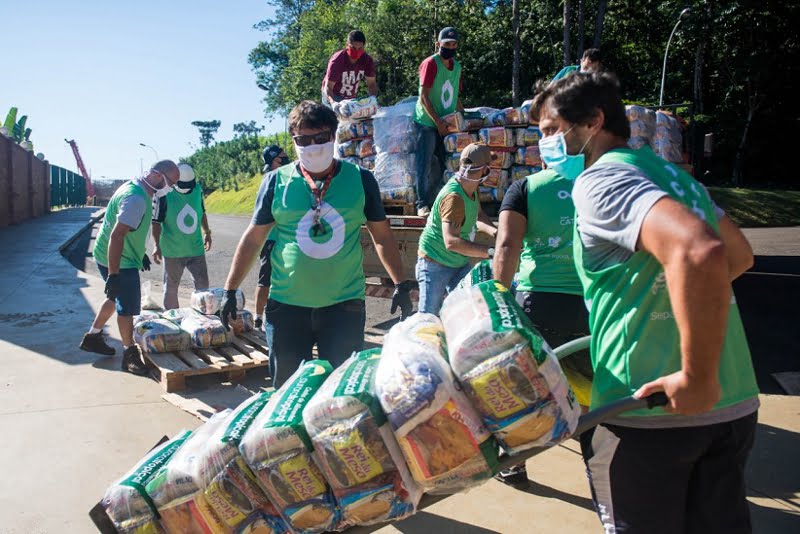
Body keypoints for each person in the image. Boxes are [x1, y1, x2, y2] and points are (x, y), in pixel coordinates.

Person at [532, 71, 759, 533]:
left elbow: (701, 253)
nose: (547, 145)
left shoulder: (601, 180)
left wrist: (694, 376)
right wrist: (672, 307)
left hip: (649, 410)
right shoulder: (671, 175)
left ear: (594, 121)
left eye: (553, 130)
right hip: (733, 398)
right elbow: (738, 255)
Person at [220, 101, 412, 388]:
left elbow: (382, 237)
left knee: (342, 394)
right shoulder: (275, 182)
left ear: (334, 136)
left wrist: (401, 283)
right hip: (287, 308)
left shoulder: (361, 180)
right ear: (293, 141)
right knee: (285, 392)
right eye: (303, 140)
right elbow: (253, 239)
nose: (312, 146)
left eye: (321, 138)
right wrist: (230, 289)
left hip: (343, 308)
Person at [492, 159, 591, 487]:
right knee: (593, 392)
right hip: (590, 304)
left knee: (521, 390)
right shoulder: (601, 180)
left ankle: (514, 465)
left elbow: (507, 244)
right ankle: (600, 465)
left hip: (538, 304)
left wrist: (499, 300)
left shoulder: (526, 187)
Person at [79, 161, 181, 375]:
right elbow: (117, 235)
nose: (170, 188)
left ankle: (93, 336)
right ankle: (129, 355)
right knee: (127, 308)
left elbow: (126, 229)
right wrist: (114, 275)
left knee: (114, 297)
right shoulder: (136, 198)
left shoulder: (135, 187)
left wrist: (140, 252)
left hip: (111, 253)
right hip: (119, 259)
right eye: (171, 182)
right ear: (156, 175)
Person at [416, 143, 496, 315]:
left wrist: (496, 232)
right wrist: (490, 252)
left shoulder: (471, 189)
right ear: (485, 170)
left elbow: (478, 215)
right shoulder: (454, 198)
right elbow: (451, 242)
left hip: (459, 263)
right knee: (428, 316)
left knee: (467, 310)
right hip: (435, 263)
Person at [413, 26, 464, 216]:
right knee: (424, 163)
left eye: (454, 44)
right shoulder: (431, 63)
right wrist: (437, 123)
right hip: (427, 122)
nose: (450, 47)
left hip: (446, 123)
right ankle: (421, 203)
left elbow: (456, 96)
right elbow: (424, 97)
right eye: (446, 44)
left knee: (445, 163)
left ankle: (437, 200)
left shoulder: (456, 67)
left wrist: (462, 119)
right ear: (438, 45)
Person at [151, 163, 212, 310]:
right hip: (173, 252)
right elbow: (156, 222)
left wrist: (207, 232)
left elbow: (202, 212)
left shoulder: (197, 190)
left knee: (203, 287)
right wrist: (157, 245)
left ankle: (203, 321)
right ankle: (173, 320)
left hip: (196, 249)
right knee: (171, 288)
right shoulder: (163, 194)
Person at [253, 144, 291, 331]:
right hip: (271, 239)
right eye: (281, 158)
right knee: (265, 280)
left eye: (286, 157)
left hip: (287, 239)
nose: (286, 161)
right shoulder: (269, 180)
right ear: (272, 162)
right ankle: (258, 318)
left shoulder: (289, 177)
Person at [321, 30, 378, 107]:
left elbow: (371, 84)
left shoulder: (367, 60)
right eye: (353, 48)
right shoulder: (337, 60)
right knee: (335, 117)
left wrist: (373, 100)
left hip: (350, 97)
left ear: (364, 47)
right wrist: (333, 103)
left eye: (360, 48)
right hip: (332, 95)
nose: (357, 51)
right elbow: (328, 87)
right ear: (347, 45)